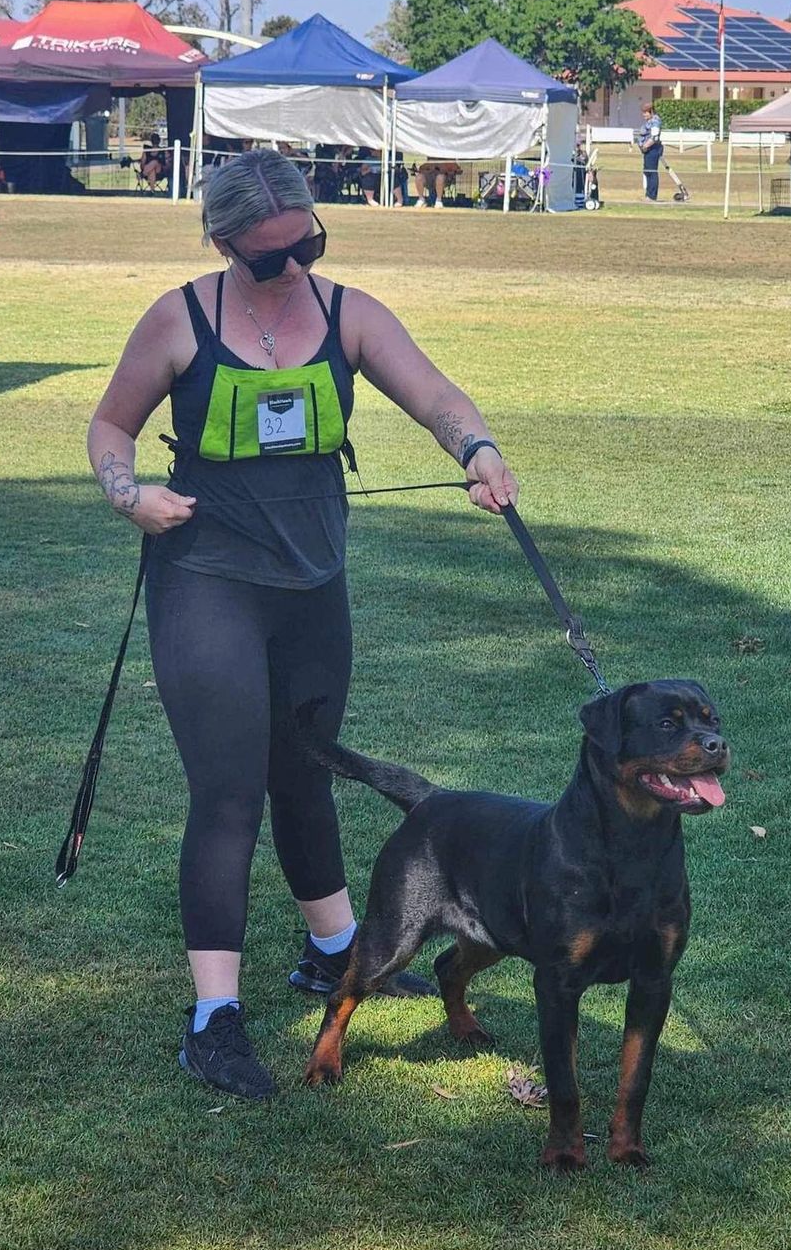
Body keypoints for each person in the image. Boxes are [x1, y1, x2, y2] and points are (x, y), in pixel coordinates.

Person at [87, 149, 519, 1102]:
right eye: (269, 255)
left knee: (308, 769)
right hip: (207, 583)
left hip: (313, 586)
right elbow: (110, 426)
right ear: (222, 243)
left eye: (307, 246)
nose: (291, 267)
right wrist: (129, 495)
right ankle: (215, 1018)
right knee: (229, 794)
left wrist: (477, 448)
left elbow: (436, 395)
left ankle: (333, 953)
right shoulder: (179, 318)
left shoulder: (348, 313)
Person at [637, 102, 663, 202]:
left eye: (645, 112)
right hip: (648, 150)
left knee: (652, 172)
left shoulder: (655, 122)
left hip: (653, 149)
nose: (643, 115)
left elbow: (654, 137)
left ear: (651, 111)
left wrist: (645, 146)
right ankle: (648, 195)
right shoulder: (650, 121)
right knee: (647, 171)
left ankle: (652, 196)